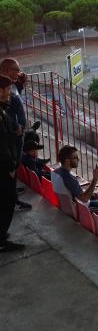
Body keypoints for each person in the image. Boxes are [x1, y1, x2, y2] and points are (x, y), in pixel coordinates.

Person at [51, 145, 98, 222]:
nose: (78, 159)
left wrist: (89, 194)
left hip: (70, 205)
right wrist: (95, 178)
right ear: (67, 160)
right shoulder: (69, 178)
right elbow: (85, 199)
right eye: (75, 158)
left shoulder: (55, 172)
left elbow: (72, 192)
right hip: (82, 208)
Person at [0, 58, 32, 211]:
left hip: (18, 134)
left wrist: (20, 85)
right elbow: (5, 110)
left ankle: (13, 192)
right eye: (16, 70)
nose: (19, 73)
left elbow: (15, 100)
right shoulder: (3, 87)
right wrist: (14, 128)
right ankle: (12, 199)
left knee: (15, 165)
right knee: (11, 165)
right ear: (7, 70)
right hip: (12, 135)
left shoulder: (10, 85)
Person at [0, 74, 23, 253]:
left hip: (7, 165)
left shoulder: (3, 109)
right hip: (4, 169)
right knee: (6, 202)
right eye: (7, 89)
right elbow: (1, 145)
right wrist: (9, 168)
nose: (9, 92)